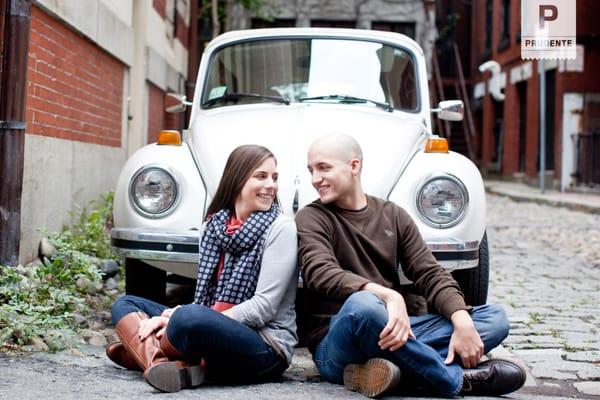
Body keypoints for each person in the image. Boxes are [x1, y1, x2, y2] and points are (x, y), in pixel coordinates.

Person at [295, 134, 526, 398]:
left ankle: (379, 373)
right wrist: (388, 295)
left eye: (324, 168)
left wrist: (460, 319)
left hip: (396, 330)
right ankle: (457, 380)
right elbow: (319, 272)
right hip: (336, 345)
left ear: (354, 166)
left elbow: (429, 272)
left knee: (493, 319)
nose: (315, 179)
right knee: (363, 306)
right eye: (311, 170)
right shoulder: (311, 217)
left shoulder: (393, 215)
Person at [107, 144, 299, 393]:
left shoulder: (280, 228)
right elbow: (205, 304)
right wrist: (177, 315)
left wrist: (177, 316)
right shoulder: (213, 226)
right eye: (261, 176)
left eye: (274, 177)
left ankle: (145, 351)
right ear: (238, 179)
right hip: (211, 325)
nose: (271, 185)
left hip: (264, 345)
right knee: (126, 304)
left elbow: (263, 307)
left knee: (188, 318)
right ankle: (160, 363)